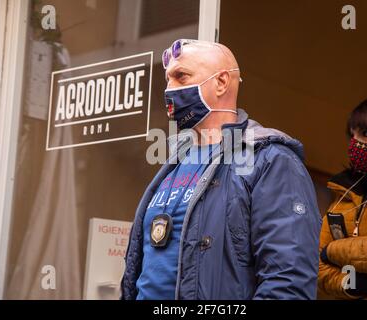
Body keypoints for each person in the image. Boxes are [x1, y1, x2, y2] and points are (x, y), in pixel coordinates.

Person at [121, 39, 321, 300]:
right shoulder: (173, 164)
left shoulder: (270, 161)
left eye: (181, 77)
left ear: (222, 82)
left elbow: (288, 281)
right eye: (168, 79)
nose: (170, 89)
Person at [318, 95, 367, 300]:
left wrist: (332, 251)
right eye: (353, 135)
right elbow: (318, 266)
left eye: (366, 133)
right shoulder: (343, 199)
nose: (355, 143)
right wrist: (359, 285)